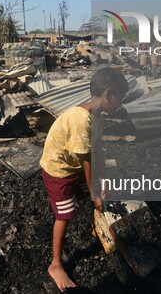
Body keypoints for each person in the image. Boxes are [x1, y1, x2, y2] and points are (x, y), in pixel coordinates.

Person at [40, 67, 128, 291]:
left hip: (74, 164)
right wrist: (94, 194)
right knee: (65, 214)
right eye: (120, 98)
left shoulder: (96, 115)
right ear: (108, 94)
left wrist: (103, 180)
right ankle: (56, 264)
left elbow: (98, 149)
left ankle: (96, 227)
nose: (121, 104)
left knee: (99, 190)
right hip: (58, 170)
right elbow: (87, 161)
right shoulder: (81, 120)